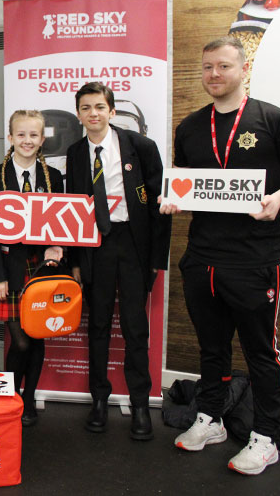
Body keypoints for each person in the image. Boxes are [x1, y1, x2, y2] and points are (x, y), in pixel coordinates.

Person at [163, 36, 280, 475]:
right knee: (212, 347)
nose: (214, 74)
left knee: (261, 351)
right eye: (207, 67)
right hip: (202, 256)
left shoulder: (274, 119)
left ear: (243, 69)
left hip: (254, 258)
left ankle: (267, 437)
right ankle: (211, 418)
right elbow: (184, 182)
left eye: (223, 66)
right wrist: (173, 198)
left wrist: (279, 199)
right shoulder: (189, 126)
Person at [66, 81, 170, 440]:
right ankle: (99, 399)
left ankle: (140, 404)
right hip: (95, 246)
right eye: (86, 108)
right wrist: (76, 260)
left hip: (132, 244)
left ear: (111, 111)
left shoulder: (140, 146)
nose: (93, 114)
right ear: (78, 114)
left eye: (99, 107)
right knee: (97, 325)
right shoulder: (75, 153)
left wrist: (156, 258)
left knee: (134, 326)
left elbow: (159, 204)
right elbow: (73, 209)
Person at [0, 110, 64, 426]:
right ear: (10, 137)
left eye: (33, 135)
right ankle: (11, 398)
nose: (27, 140)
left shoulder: (53, 177)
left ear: (42, 139)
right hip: (9, 270)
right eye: (21, 134)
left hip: (42, 269)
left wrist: (58, 251)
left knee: (37, 336)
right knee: (21, 341)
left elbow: (62, 223)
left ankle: (28, 399)